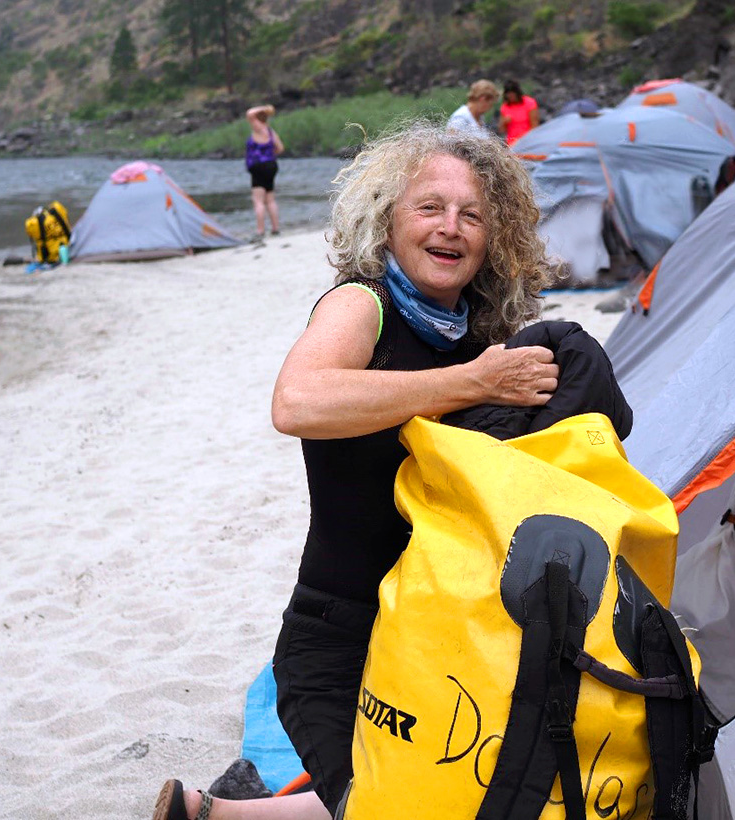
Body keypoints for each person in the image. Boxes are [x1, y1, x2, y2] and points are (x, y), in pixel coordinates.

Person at [150, 123, 558, 820]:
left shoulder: (483, 338)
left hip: (441, 636)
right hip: (339, 644)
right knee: (390, 808)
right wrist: (472, 383)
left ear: (496, 238)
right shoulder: (362, 304)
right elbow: (296, 400)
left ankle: (211, 814)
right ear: (387, 218)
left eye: (473, 215)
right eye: (429, 206)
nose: (450, 227)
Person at [246, 104, 285, 242]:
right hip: (271, 166)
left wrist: (265, 108)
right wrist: (268, 155)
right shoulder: (270, 131)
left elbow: (249, 112)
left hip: (258, 167)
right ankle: (275, 228)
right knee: (270, 198)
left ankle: (260, 230)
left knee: (258, 201)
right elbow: (280, 148)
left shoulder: (258, 128)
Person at [499, 79, 539, 146]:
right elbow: (501, 130)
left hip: (528, 142)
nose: (510, 96)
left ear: (517, 93)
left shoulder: (530, 103)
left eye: (512, 93)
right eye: (508, 94)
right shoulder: (505, 107)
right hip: (512, 145)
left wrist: (522, 140)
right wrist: (504, 122)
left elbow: (534, 126)